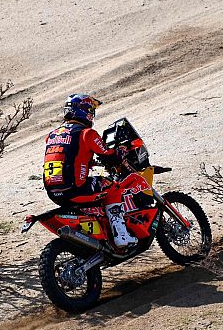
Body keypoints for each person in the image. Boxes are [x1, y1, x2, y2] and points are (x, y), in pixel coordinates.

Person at [42, 94, 148, 248]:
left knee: (96, 187)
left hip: (54, 192)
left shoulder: (51, 136)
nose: (92, 113)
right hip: (76, 189)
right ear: (83, 111)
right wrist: (122, 150)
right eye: (90, 109)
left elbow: (68, 156)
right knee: (114, 188)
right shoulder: (87, 133)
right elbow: (109, 156)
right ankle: (121, 236)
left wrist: (89, 161)